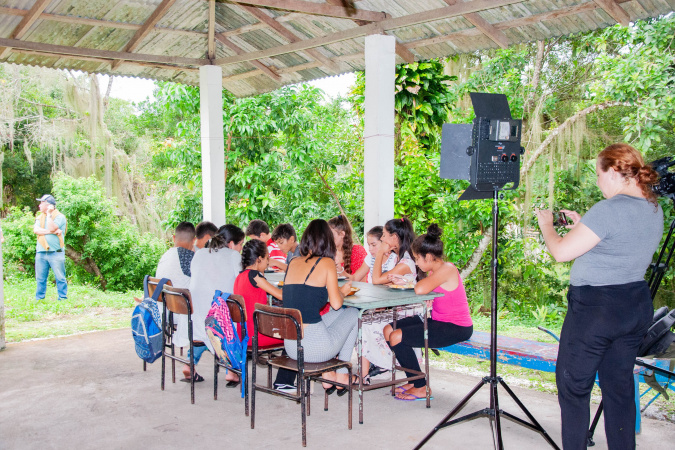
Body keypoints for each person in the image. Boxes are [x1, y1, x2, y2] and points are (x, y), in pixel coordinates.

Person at [534, 143, 663, 450]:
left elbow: (561, 252)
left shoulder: (608, 209)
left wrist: (547, 226)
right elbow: (619, 245)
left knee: (573, 387)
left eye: (598, 173)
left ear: (615, 172)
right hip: (634, 305)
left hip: (596, 312)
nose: (597, 181)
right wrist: (583, 227)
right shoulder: (653, 206)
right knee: (618, 388)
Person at [384, 224, 473, 401]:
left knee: (397, 336)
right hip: (438, 320)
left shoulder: (447, 269)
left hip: (456, 327)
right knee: (389, 329)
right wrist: (405, 282)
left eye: (417, 258)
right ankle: (414, 379)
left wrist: (411, 283)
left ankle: (421, 387)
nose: (416, 263)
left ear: (429, 256)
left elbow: (420, 289)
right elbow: (422, 288)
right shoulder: (435, 270)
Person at [282, 219, 359, 394]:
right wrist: (344, 291)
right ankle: (341, 375)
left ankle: (332, 376)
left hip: (292, 346)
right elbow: (337, 303)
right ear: (328, 241)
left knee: (335, 316)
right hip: (315, 349)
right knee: (353, 312)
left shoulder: (293, 262)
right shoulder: (326, 263)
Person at [178, 224, 245, 383]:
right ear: (230, 244)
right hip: (218, 322)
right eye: (241, 244)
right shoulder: (233, 256)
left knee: (206, 325)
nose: (241, 248)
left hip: (193, 320)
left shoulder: (199, 254)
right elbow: (240, 285)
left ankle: (190, 363)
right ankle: (231, 370)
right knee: (234, 315)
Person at [234, 239, 283, 348]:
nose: (267, 262)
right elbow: (280, 295)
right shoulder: (254, 275)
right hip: (257, 336)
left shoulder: (239, 277)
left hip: (243, 336)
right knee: (293, 334)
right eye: (267, 258)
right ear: (259, 259)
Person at [33, 194, 68, 301]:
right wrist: (51, 232)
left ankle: (62, 298)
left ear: (48, 205)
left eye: (41, 203)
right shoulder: (39, 217)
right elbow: (36, 231)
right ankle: (39, 299)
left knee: (60, 277)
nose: (39, 206)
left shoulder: (60, 217)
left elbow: (53, 227)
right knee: (40, 278)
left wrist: (48, 215)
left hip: (56, 252)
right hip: (41, 252)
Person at [371, 217, 417, 285]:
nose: (381, 238)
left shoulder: (406, 263)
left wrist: (380, 253)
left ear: (394, 237)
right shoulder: (397, 257)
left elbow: (376, 280)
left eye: (384, 235)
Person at [155, 222, 196, 289]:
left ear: (174, 238)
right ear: (194, 240)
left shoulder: (165, 256)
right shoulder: (189, 256)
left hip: (162, 298)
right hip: (181, 299)